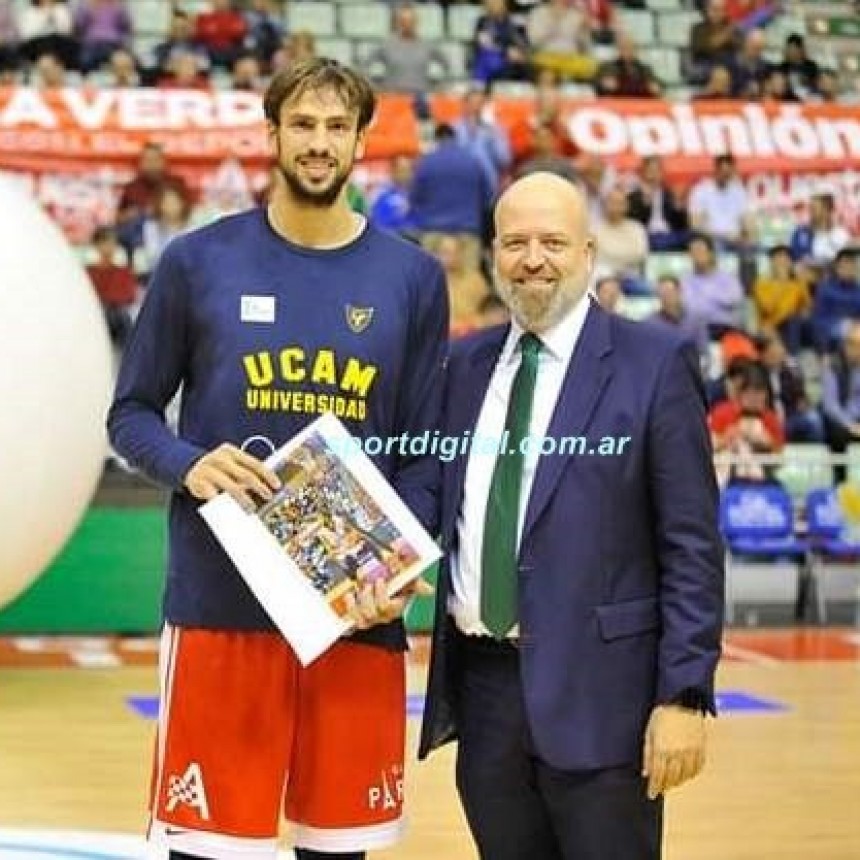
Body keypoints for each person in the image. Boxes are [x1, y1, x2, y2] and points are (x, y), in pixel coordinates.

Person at [107, 58, 448, 860]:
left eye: (337, 127)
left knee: (338, 852)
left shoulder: (413, 277)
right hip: (221, 609)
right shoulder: (198, 262)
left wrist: (398, 568)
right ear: (272, 135)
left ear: (362, 141)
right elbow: (131, 413)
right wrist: (189, 464)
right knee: (208, 851)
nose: (319, 143)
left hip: (353, 616)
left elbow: (427, 452)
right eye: (303, 124)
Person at [419, 172, 724, 860]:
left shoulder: (655, 362)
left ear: (589, 252)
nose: (533, 259)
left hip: (603, 700)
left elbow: (692, 546)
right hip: (486, 692)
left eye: (553, 241)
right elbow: (435, 502)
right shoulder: (463, 365)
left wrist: (684, 694)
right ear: (492, 254)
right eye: (515, 242)